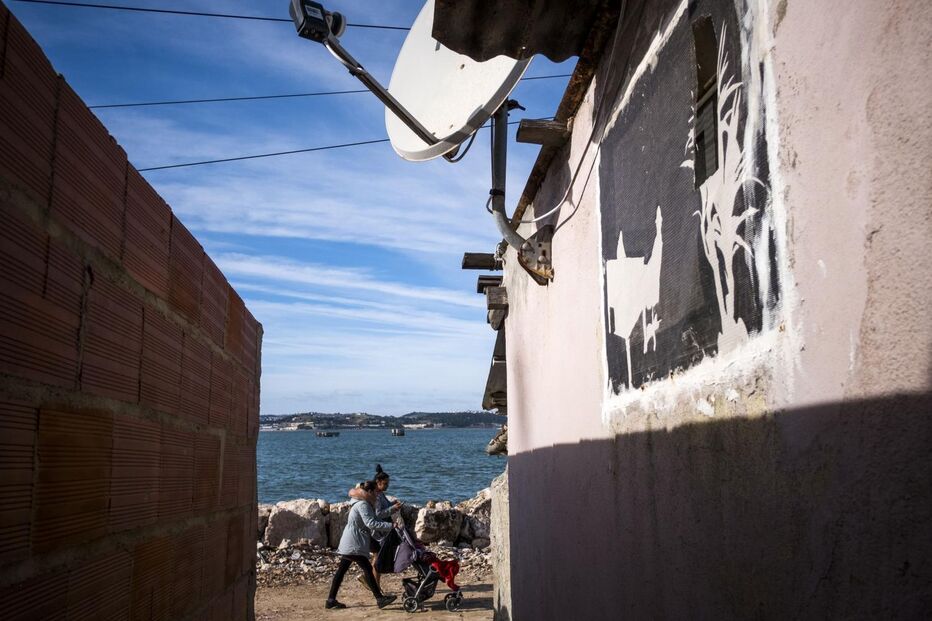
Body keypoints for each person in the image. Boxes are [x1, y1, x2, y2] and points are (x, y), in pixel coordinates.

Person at [325, 480, 398, 610]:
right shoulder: (363, 505)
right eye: (375, 492)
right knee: (367, 569)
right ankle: (380, 598)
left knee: (341, 571)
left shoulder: (362, 503)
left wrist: (390, 512)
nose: (377, 494)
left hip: (351, 540)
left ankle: (331, 600)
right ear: (369, 492)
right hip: (354, 542)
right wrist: (391, 526)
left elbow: (373, 518)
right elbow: (371, 523)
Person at [348, 464, 402, 587]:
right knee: (378, 557)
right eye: (385, 484)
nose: (387, 486)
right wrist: (393, 509)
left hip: (378, 532)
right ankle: (374, 584)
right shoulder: (376, 496)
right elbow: (378, 514)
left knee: (376, 557)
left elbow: (384, 506)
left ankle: (372, 582)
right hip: (375, 533)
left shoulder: (380, 494)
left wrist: (392, 504)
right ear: (378, 482)